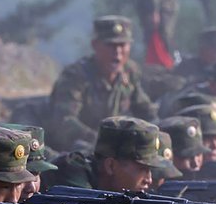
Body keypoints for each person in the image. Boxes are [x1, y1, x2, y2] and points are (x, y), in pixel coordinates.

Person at [47, 16, 157, 151]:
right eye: (110, 45)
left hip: (114, 150)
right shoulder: (76, 76)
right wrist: (100, 139)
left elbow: (145, 111)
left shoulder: (129, 72)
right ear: (95, 45)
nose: (117, 52)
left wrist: (155, 131)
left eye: (122, 45)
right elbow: (64, 121)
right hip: (75, 151)